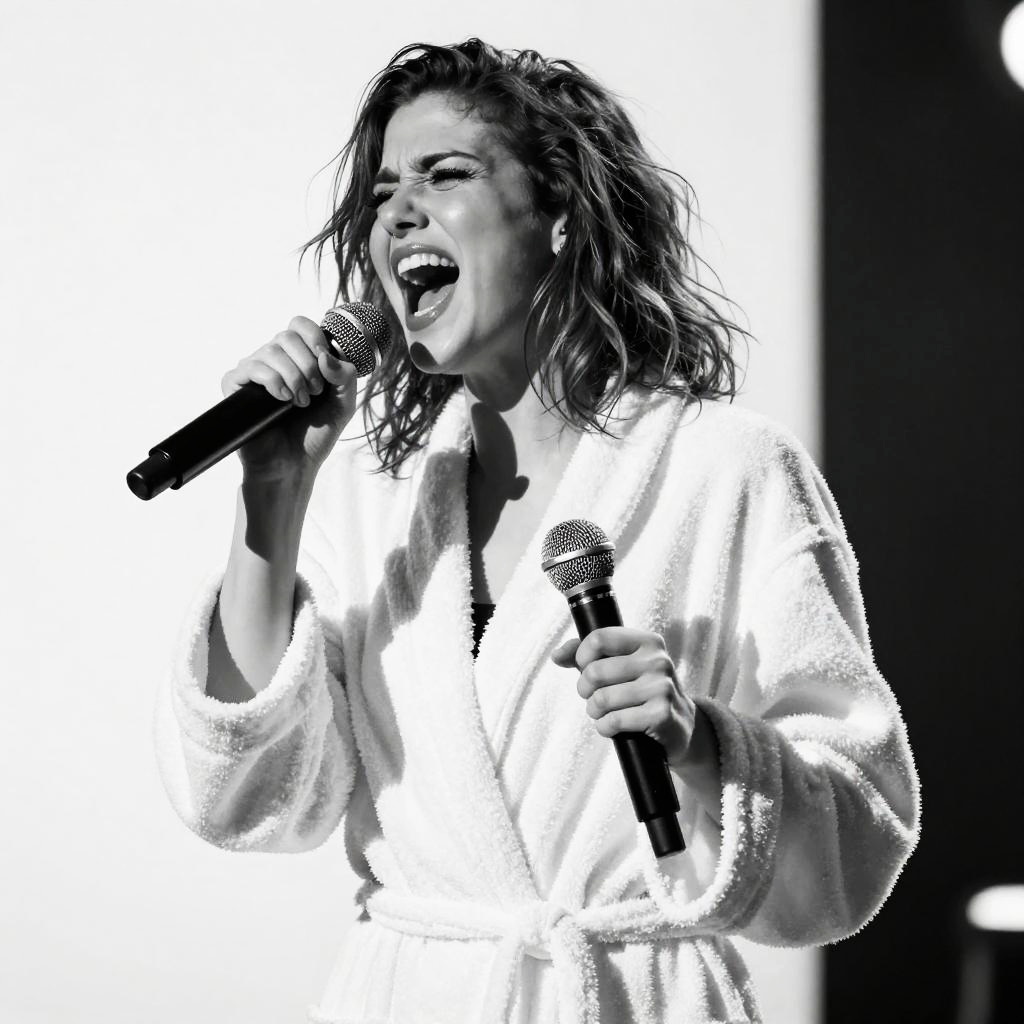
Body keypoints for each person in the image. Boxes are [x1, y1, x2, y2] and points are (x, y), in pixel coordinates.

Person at [153, 39, 920, 1024]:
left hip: (633, 996)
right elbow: (248, 797)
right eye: (383, 191)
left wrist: (700, 744)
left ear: (561, 212)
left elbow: (857, 835)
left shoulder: (729, 469)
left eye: (445, 174)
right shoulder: (367, 495)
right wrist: (272, 494)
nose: (397, 212)